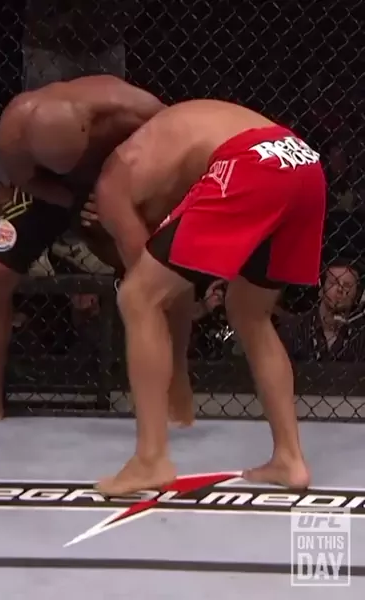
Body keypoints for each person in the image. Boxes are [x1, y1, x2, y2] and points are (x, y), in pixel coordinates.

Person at [91, 99, 326, 495]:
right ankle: (290, 459)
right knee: (249, 312)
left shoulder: (111, 183)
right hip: (300, 159)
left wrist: (179, 373)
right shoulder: (172, 134)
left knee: (136, 297)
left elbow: (148, 278)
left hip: (250, 163)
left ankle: (150, 459)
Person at [0, 74, 190, 427]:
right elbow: (26, 182)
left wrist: (120, 195)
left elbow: (175, 146)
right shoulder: (12, 135)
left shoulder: (132, 108)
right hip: (48, 192)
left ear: (87, 129)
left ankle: (176, 387)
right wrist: (74, 199)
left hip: (117, 176)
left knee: (155, 273)